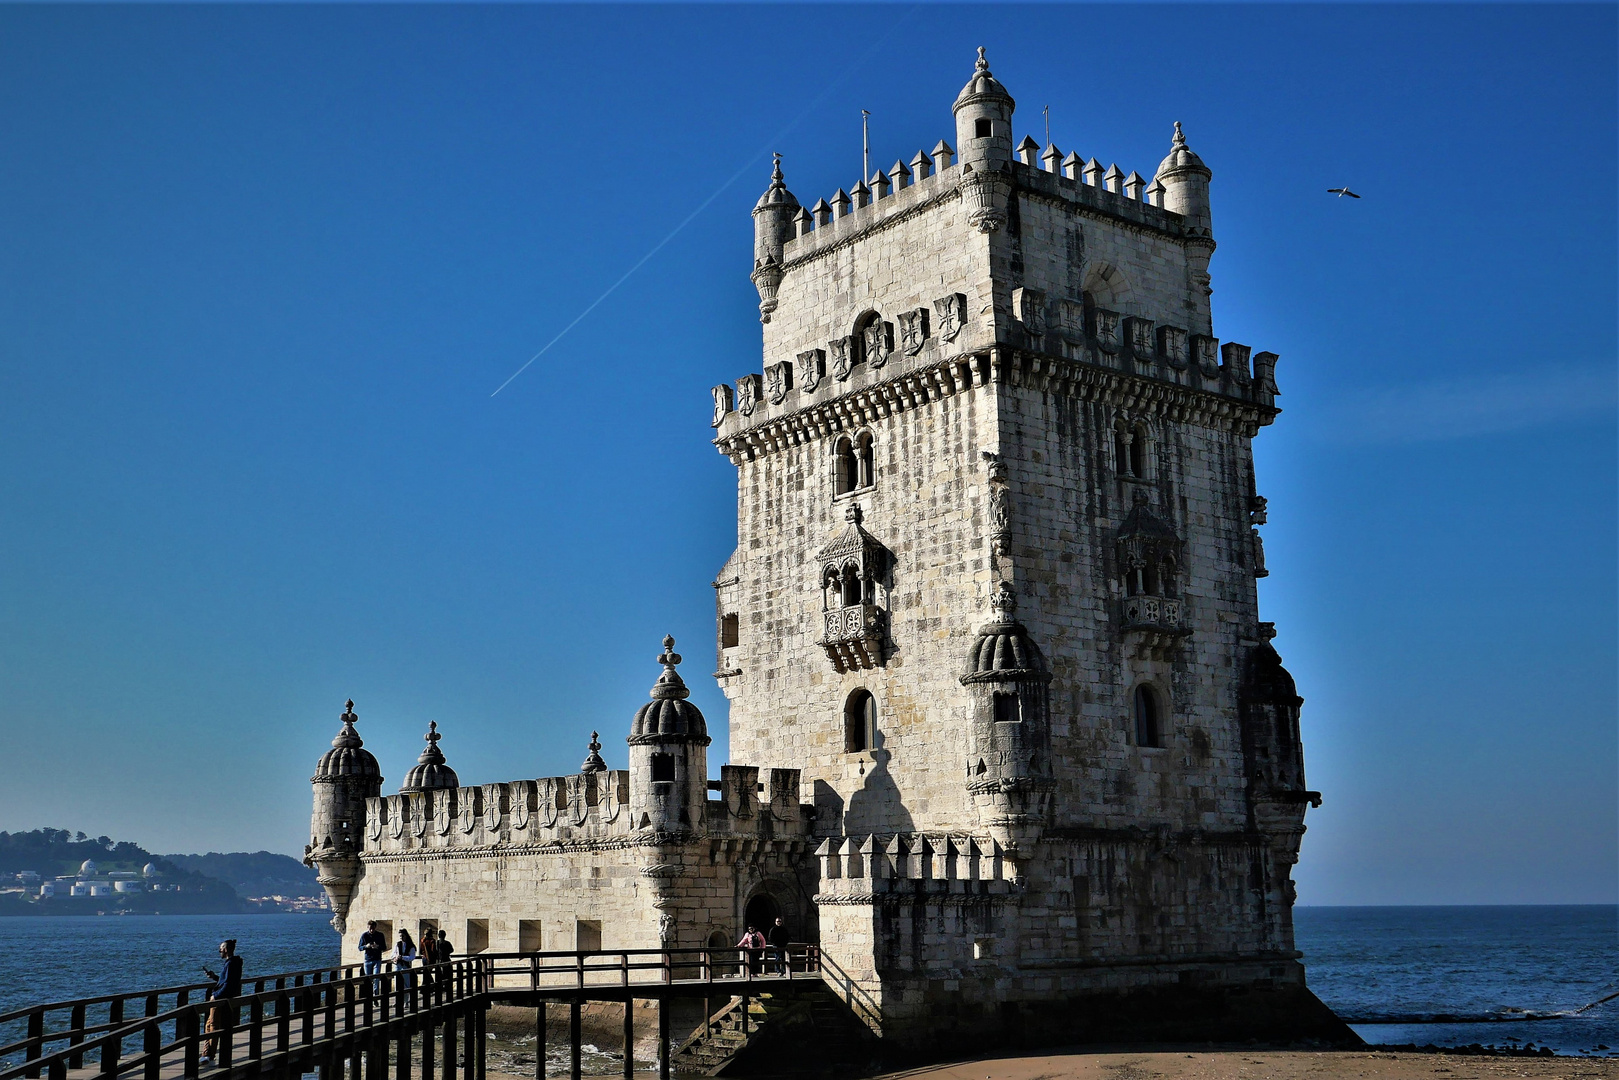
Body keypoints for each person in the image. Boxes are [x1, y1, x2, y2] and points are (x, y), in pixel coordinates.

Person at [200, 939, 242, 1066]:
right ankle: (205, 1055)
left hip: (219, 1000)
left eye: (221, 949)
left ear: (226, 950)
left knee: (213, 1026)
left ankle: (209, 1057)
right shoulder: (233, 963)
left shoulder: (230, 964)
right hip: (222, 998)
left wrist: (216, 996)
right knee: (209, 1025)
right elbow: (226, 981)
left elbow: (228, 985)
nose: (219, 951)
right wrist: (215, 977)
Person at [391, 928, 418, 994]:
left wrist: (403, 957)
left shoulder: (411, 945)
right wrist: (395, 957)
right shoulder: (398, 944)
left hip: (406, 965)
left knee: (406, 983)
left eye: (402, 936)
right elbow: (393, 954)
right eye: (400, 936)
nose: (401, 937)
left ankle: (406, 1002)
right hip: (398, 964)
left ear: (406, 936)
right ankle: (397, 1001)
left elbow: (412, 957)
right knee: (397, 983)